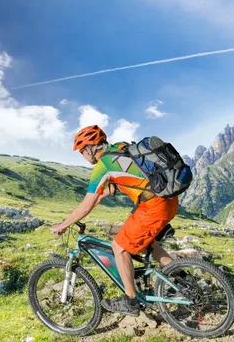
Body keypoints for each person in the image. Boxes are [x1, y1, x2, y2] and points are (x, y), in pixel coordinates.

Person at [51, 124, 179, 315]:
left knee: (119, 246)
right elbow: (117, 185)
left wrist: (63, 225)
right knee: (147, 243)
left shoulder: (103, 165)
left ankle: (131, 302)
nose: (83, 157)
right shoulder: (120, 149)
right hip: (169, 199)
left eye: (81, 152)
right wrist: (97, 199)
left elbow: (87, 204)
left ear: (89, 149)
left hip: (153, 207)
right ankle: (183, 277)